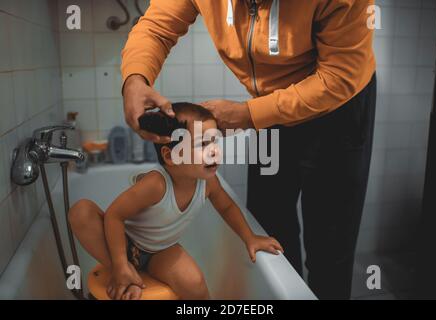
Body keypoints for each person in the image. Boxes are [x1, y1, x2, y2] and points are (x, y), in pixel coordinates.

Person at [121, 0, 376, 299]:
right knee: (270, 224)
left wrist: (249, 115)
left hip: (338, 108)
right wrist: (135, 77)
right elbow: (156, 27)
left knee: (329, 248)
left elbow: (338, 78)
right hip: (268, 105)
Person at [68, 103, 284, 300]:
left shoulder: (208, 182)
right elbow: (114, 216)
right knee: (81, 211)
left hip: (160, 251)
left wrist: (249, 237)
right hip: (124, 243)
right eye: (202, 144)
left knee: (195, 284)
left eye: (214, 141)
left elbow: (226, 207)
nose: (214, 150)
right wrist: (119, 264)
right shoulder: (156, 184)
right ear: (170, 155)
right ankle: (125, 274)